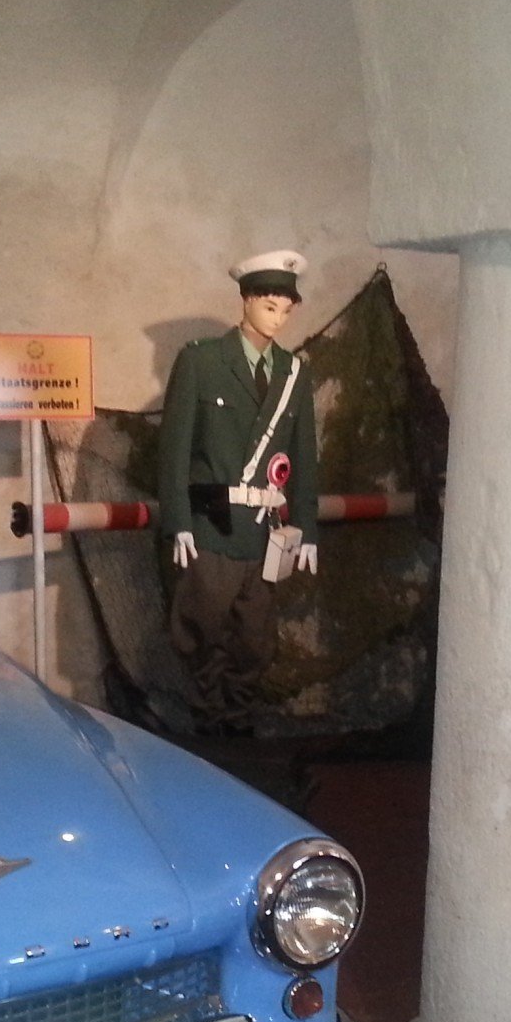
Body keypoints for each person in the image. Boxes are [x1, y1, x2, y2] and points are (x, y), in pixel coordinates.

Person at [157, 249, 320, 735]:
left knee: (255, 639)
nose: (278, 318)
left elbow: (304, 455)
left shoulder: (293, 373)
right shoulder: (201, 361)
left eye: (286, 310)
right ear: (246, 300)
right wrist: (179, 521)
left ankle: (239, 720)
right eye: (269, 306)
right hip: (212, 523)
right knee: (202, 628)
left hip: (265, 530)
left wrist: (307, 526)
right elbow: (175, 449)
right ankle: (210, 722)